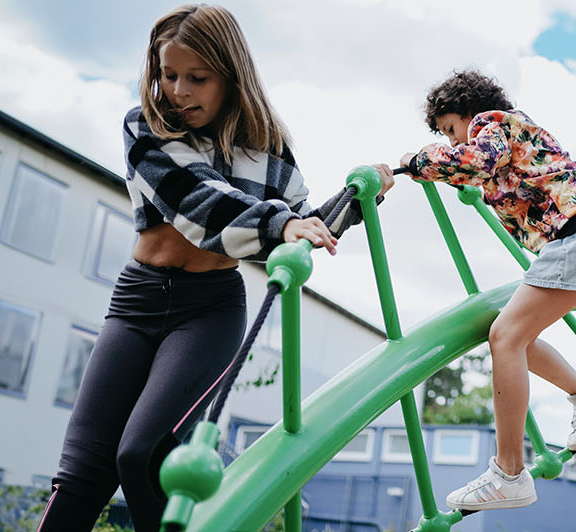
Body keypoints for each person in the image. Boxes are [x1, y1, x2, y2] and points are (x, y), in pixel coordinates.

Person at [37, 5, 393, 530]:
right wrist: (280, 224)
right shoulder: (147, 128)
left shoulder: (270, 150)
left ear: (230, 75)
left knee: (143, 452)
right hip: (134, 303)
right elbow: (198, 205)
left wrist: (361, 198)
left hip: (208, 312)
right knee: (81, 474)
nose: (179, 91)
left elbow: (301, 229)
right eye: (168, 75)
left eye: (197, 78)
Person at [395, 69, 576, 511]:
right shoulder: (510, 141)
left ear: (469, 110)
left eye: (451, 129)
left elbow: (474, 160)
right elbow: (484, 171)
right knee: (511, 334)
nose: (452, 142)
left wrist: (417, 161)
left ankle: (508, 474)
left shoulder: (494, 123)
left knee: (504, 337)